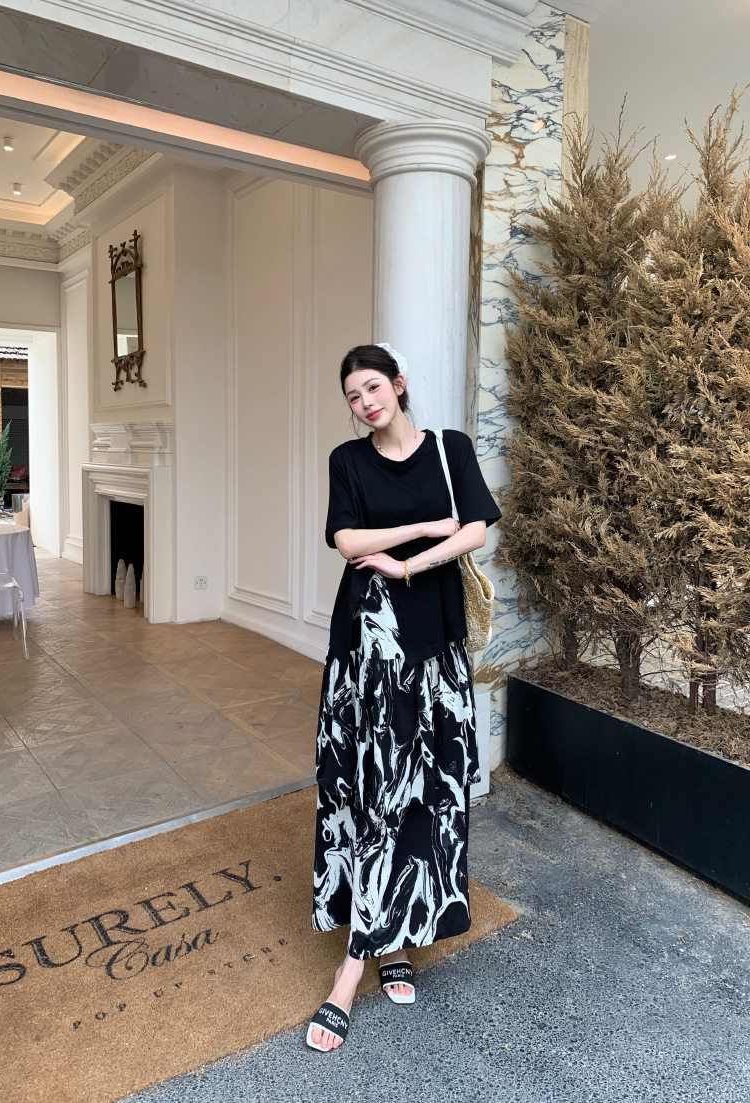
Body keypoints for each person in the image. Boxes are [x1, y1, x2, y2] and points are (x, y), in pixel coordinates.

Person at [306, 342, 502, 1052]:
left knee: (427, 792)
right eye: (353, 395)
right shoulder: (348, 461)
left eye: (373, 387)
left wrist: (407, 565)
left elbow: (475, 526)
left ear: (398, 383)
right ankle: (354, 966)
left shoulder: (450, 449)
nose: (365, 403)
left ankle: (395, 936)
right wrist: (421, 528)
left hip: (434, 645)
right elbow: (345, 538)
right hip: (368, 649)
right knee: (371, 794)